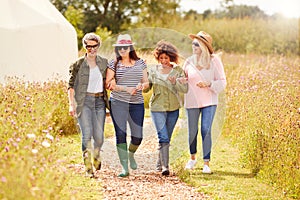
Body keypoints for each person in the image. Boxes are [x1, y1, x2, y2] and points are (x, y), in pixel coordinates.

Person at [105, 34, 149, 177]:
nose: (122, 49)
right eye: (120, 47)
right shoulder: (113, 64)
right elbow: (109, 84)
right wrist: (125, 89)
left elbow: (146, 82)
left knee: (138, 137)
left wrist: (142, 86)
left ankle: (131, 154)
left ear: (130, 47)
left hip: (137, 103)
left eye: (125, 47)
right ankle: (124, 167)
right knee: (121, 133)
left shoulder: (140, 63)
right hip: (118, 103)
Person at [183, 31, 226, 174]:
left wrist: (209, 83)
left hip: (209, 101)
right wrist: (180, 81)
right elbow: (183, 80)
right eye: (193, 43)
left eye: (197, 43)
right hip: (192, 101)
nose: (193, 45)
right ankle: (192, 158)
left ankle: (206, 163)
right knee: (192, 131)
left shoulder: (214, 61)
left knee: (206, 129)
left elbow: (222, 82)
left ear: (203, 46)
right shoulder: (188, 61)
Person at [68, 33, 109, 178]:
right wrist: (71, 105)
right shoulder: (77, 64)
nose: (92, 49)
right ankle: (88, 168)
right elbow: (71, 86)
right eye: (88, 46)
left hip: (99, 102)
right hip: (83, 102)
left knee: (99, 137)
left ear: (98, 46)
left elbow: (111, 80)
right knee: (86, 135)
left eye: (94, 46)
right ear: (85, 46)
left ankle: (96, 155)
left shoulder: (104, 62)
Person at [144, 40, 188, 176]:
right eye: (161, 58)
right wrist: (143, 82)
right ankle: (165, 166)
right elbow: (146, 89)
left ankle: (160, 163)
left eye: (166, 58)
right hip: (157, 108)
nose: (163, 61)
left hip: (174, 109)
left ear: (171, 58)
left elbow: (185, 89)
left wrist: (175, 82)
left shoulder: (178, 71)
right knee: (162, 136)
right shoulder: (152, 70)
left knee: (167, 137)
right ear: (158, 57)